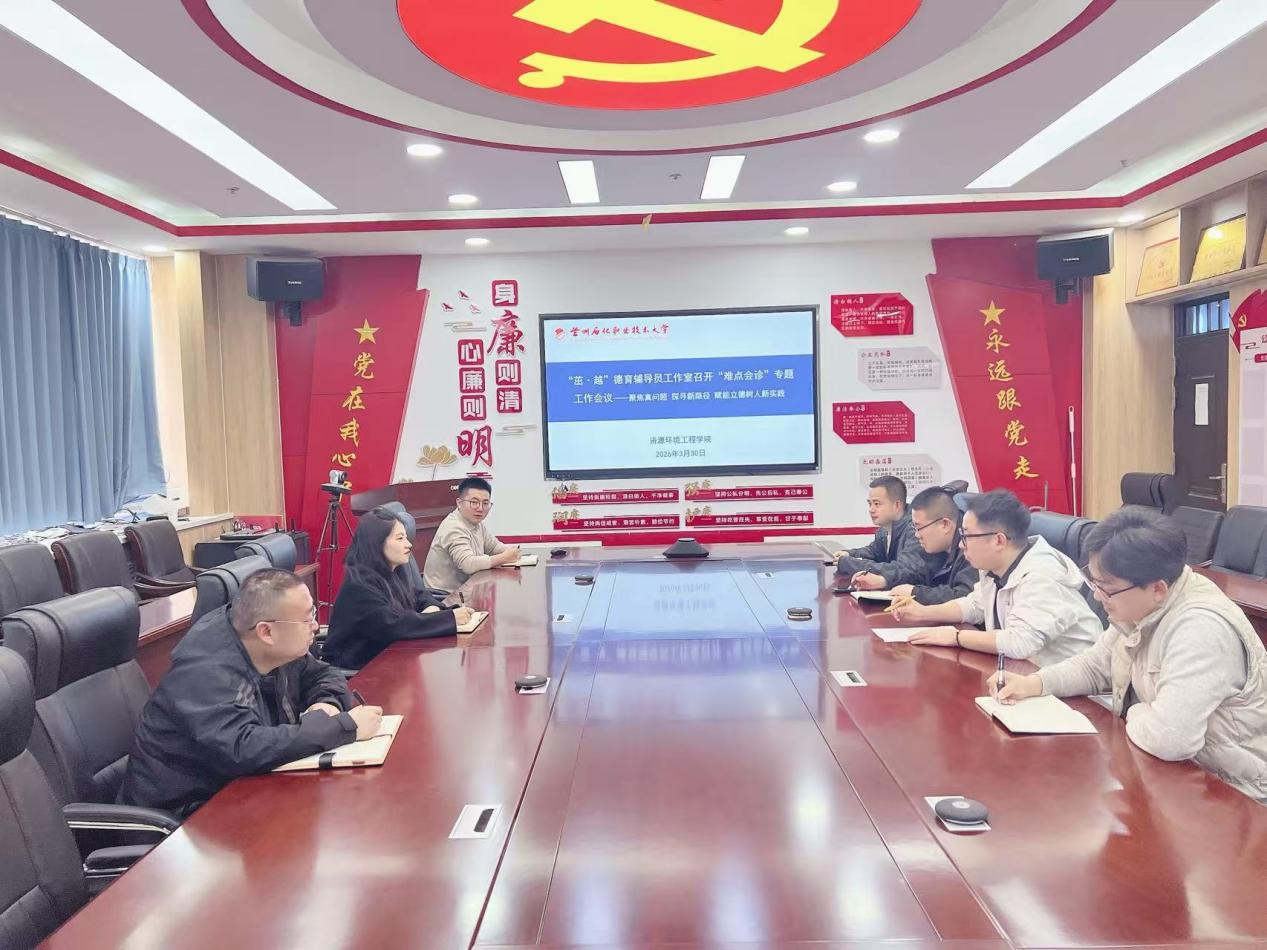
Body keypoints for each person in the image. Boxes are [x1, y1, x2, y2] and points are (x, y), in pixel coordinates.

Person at [992, 507, 1267, 804]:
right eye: (1094, 581)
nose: (1097, 595)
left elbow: (1169, 740)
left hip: (1234, 796)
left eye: (1107, 588)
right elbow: (1095, 666)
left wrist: (1134, 711)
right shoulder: (1140, 604)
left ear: (1157, 589)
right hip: (1172, 777)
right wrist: (1034, 683)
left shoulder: (1201, 629)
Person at [118, 569, 382, 815]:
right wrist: (344, 727)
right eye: (307, 619)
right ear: (266, 631)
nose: (315, 626)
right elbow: (243, 748)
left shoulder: (269, 644)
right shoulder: (207, 671)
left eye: (313, 614)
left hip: (238, 793)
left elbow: (323, 674)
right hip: (184, 817)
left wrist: (327, 703)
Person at [892, 488, 1101, 666]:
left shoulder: (1042, 575)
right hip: (1022, 674)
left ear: (998, 540)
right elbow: (975, 605)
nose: (960, 544)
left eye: (966, 536)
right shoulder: (995, 566)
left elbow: (1020, 643)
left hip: (1071, 690)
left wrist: (956, 637)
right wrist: (923, 613)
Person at [324, 507, 474, 670]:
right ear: (377, 542)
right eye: (400, 538)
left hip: (388, 657)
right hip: (359, 669)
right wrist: (450, 618)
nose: (408, 544)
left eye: (406, 537)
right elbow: (394, 624)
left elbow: (418, 595)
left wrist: (432, 607)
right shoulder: (360, 586)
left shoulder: (390, 571)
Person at [834, 475, 935, 590]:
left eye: (877, 504)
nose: (871, 510)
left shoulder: (914, 530)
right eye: (870, 504)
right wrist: (850, 554)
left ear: (897, 505)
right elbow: (873, 551)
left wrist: (849, 563)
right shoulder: (884, 529)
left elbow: (901, 569)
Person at [424, 477, 520, 592]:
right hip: (445, 596)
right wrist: (504, 558)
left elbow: (494, 547)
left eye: (485, 503)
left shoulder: (476, 523)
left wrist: (512, 552)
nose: (480, 508)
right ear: (459, 503)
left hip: (467, 590)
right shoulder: (453, 527)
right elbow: (468, 564)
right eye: (474, 502)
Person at [887, 486, 978, 606]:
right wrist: (884, 580)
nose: (917, 535)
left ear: (945, 525)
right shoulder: (935, 548)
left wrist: (916, 593)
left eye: (919, 528)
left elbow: (965, 596)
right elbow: (917, 573)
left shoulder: (971, 548)